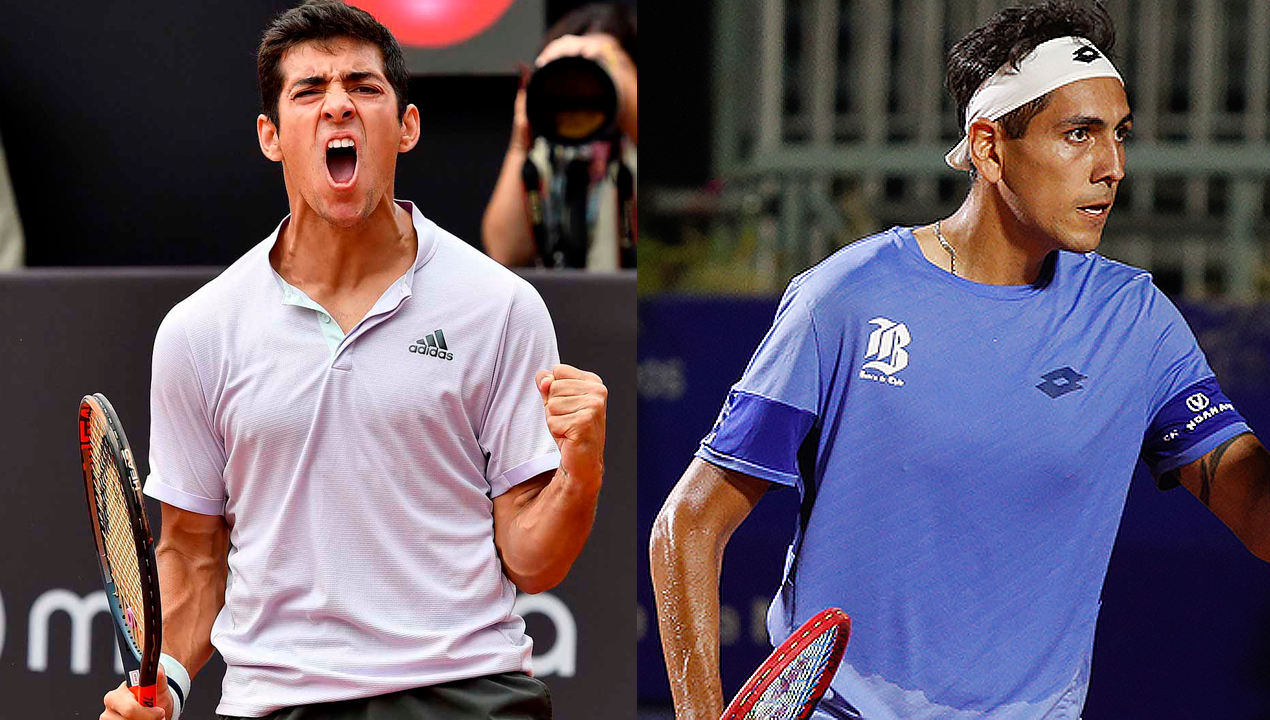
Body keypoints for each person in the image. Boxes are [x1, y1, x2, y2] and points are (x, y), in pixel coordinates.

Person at [649, 2, 1270, 719]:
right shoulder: (845, 299)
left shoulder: (1134, 321)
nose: (1112, 167)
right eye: (1079, 134)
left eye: (1119, 134)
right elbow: (688, 525)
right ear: (989, 148)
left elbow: (1256, 515)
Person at [99, 2, 606, 719]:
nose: (338, 104)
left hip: (465, 696)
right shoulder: (199, 331)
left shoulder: (501, 307)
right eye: (309, 91)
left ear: (407, 126)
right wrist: (165, 684)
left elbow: (533, 560)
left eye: (364, 87)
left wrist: (581, 473)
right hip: (276, 703)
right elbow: (191, 555)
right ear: (271, 137)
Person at [482, 3, 637, 270]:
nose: (583, 88)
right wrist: (521, 143)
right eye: (571, 74)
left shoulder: (631, 148)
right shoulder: (549, 151)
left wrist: (616, 65)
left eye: (597, 71)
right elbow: (503, 254)